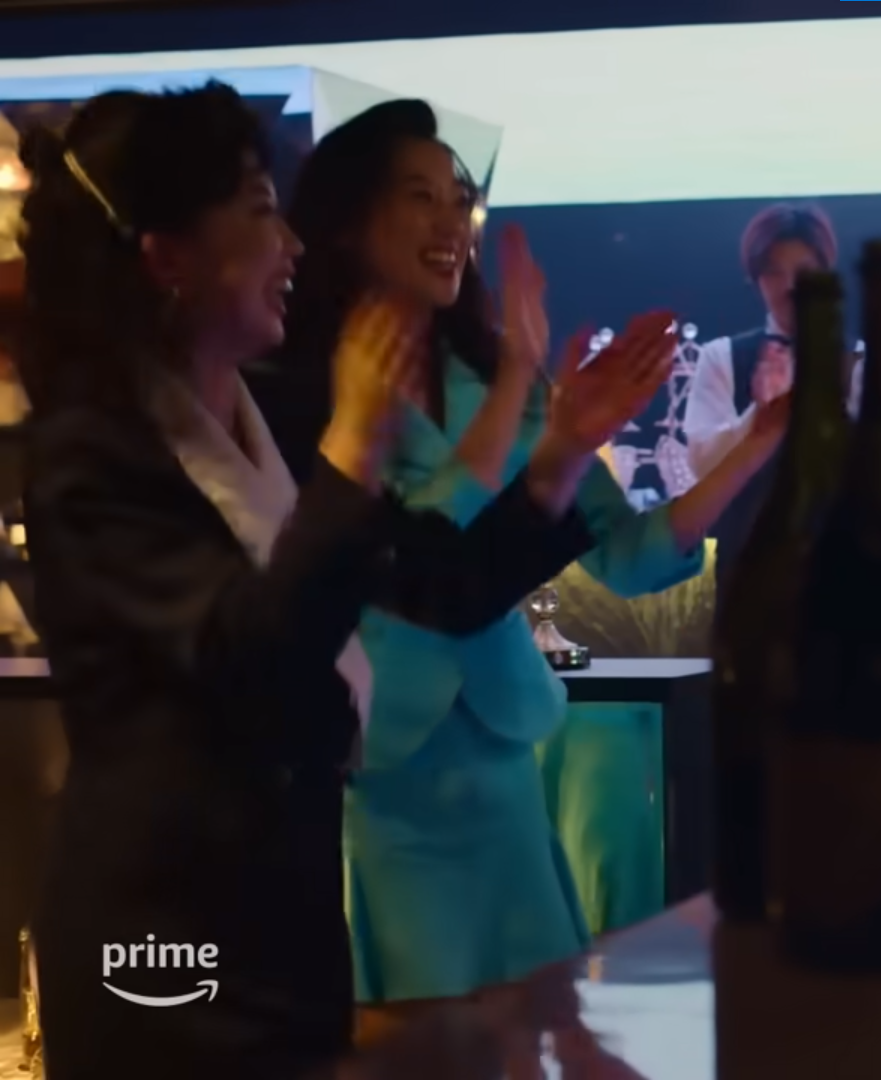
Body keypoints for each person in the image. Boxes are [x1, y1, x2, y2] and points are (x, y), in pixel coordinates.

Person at [17, 84, 639, 1080]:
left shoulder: (248, 428)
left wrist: (562, 454)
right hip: (164, 938)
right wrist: (353, 447)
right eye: (261, 210)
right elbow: (253, 656)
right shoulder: (91, 458)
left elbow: (439, 585)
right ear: (167, 257)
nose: (292, 244)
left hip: (281, 926)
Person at [264, 99, 787, 1047]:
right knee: (411, 1050)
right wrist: (521, 396)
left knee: (539, 1040)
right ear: (345, 222)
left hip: (506, 772)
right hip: (379, 785)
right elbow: (418, 561)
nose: (449, 222)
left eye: (457, 198)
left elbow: (629, 559)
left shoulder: (498, 374)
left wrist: (755, 441)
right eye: (418, 196)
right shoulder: (303, 393)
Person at [683, 201, 857, 596]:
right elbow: (701, 464)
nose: (790, 285)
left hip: (844, 564)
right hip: (747, 563)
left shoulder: (860, 359)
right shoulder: (721, 357)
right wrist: (758, 416)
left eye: (804, 271)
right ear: (756, 278)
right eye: (774, 272)